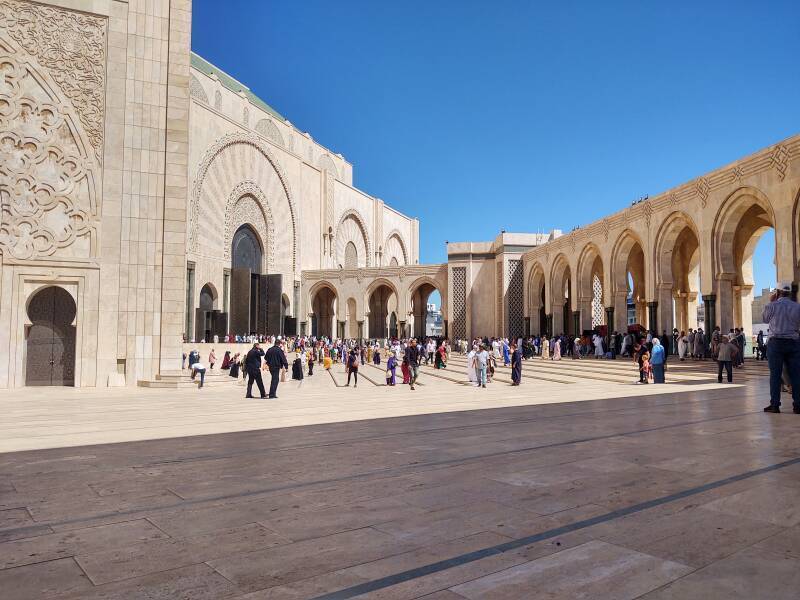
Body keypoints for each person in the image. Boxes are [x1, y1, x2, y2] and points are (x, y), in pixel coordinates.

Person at [762, 282, 800, 413]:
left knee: (775, 375)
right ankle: (798, 405)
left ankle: (775, 405)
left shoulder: (772, 306)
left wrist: (771, 302)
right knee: (796, 374)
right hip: (793, 342)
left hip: (776, 343)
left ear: (777, 292)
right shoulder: (797, 307)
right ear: (789, 293)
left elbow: (765, 319)